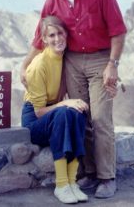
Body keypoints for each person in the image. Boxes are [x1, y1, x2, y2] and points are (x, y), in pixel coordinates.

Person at [20, 0, 127, 199]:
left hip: (100, 58)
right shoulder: (52, 0)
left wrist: (113, 64)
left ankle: (106, 177)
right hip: (72, 61)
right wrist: (25, 65)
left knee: (100, 118)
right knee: (83, 115)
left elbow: (118, 31)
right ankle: (88, 173)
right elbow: (40, 37)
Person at [22, 15, 89, 204]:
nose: (57, 39)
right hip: (35, 122)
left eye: (60, 33)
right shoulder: (38, 66)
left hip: (56, 114)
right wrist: (64, 103)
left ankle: (71, 182)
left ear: (66, 34)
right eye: (51, 35)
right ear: (44, 40)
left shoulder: (66, 59)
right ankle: (61, 184)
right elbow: (39, 112)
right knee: (64, 111)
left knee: (79, 111)